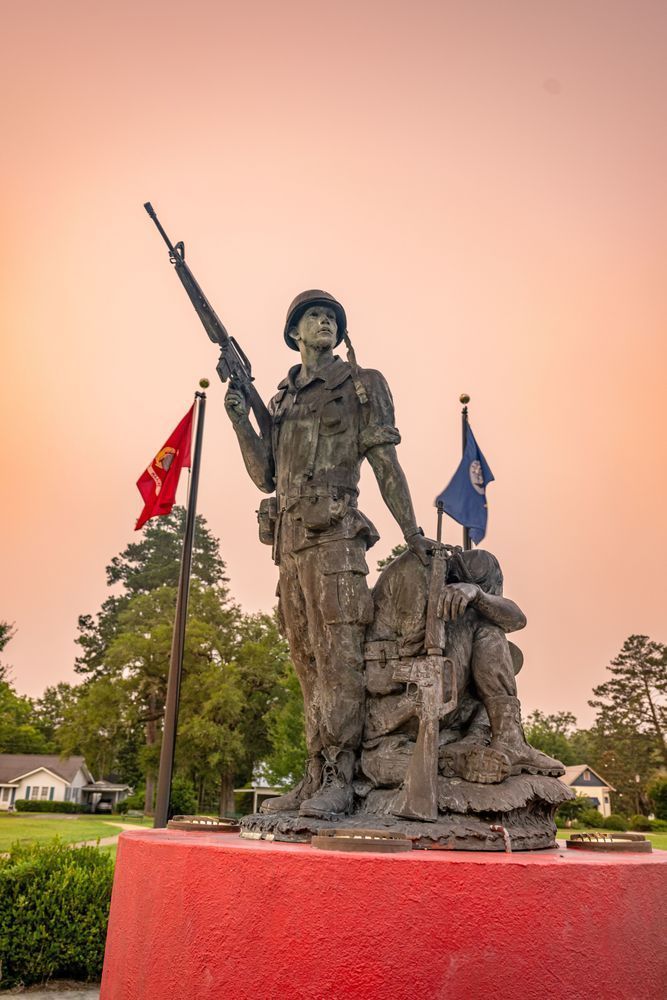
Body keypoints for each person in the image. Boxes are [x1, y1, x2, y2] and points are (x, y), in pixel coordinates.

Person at [224, 290, 429, 818]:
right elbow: (264, 475)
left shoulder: (361, 384)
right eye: (314, 317)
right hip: (288, 544)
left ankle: (342, 776)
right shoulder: (282, 398)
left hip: (335, 537)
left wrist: (412, 533)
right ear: (294, 332)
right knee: (306, 659)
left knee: (339, 655)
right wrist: (239, 419)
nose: (325, 323)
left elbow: (386, 464)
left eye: (332, 318)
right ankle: (315, 775)